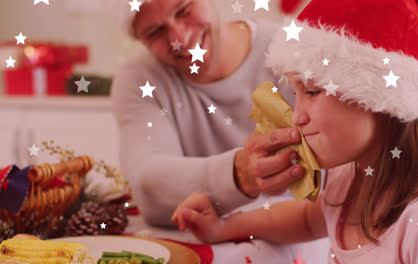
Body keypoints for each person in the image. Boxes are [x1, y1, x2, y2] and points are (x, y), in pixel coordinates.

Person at [172, 0, 418, 262]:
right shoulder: (349, 174)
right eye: (296, 94)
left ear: (378, 99)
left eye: (312, 91)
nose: (297, 116)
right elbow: (306, 220)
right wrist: (223, 227)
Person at [110, 0, 304, 227]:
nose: (180, 39)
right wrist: (239, 174)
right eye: (155, 31)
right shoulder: (139, 80)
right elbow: (147, 186)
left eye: (183, 10)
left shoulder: (293, 50)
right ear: (139, 39)